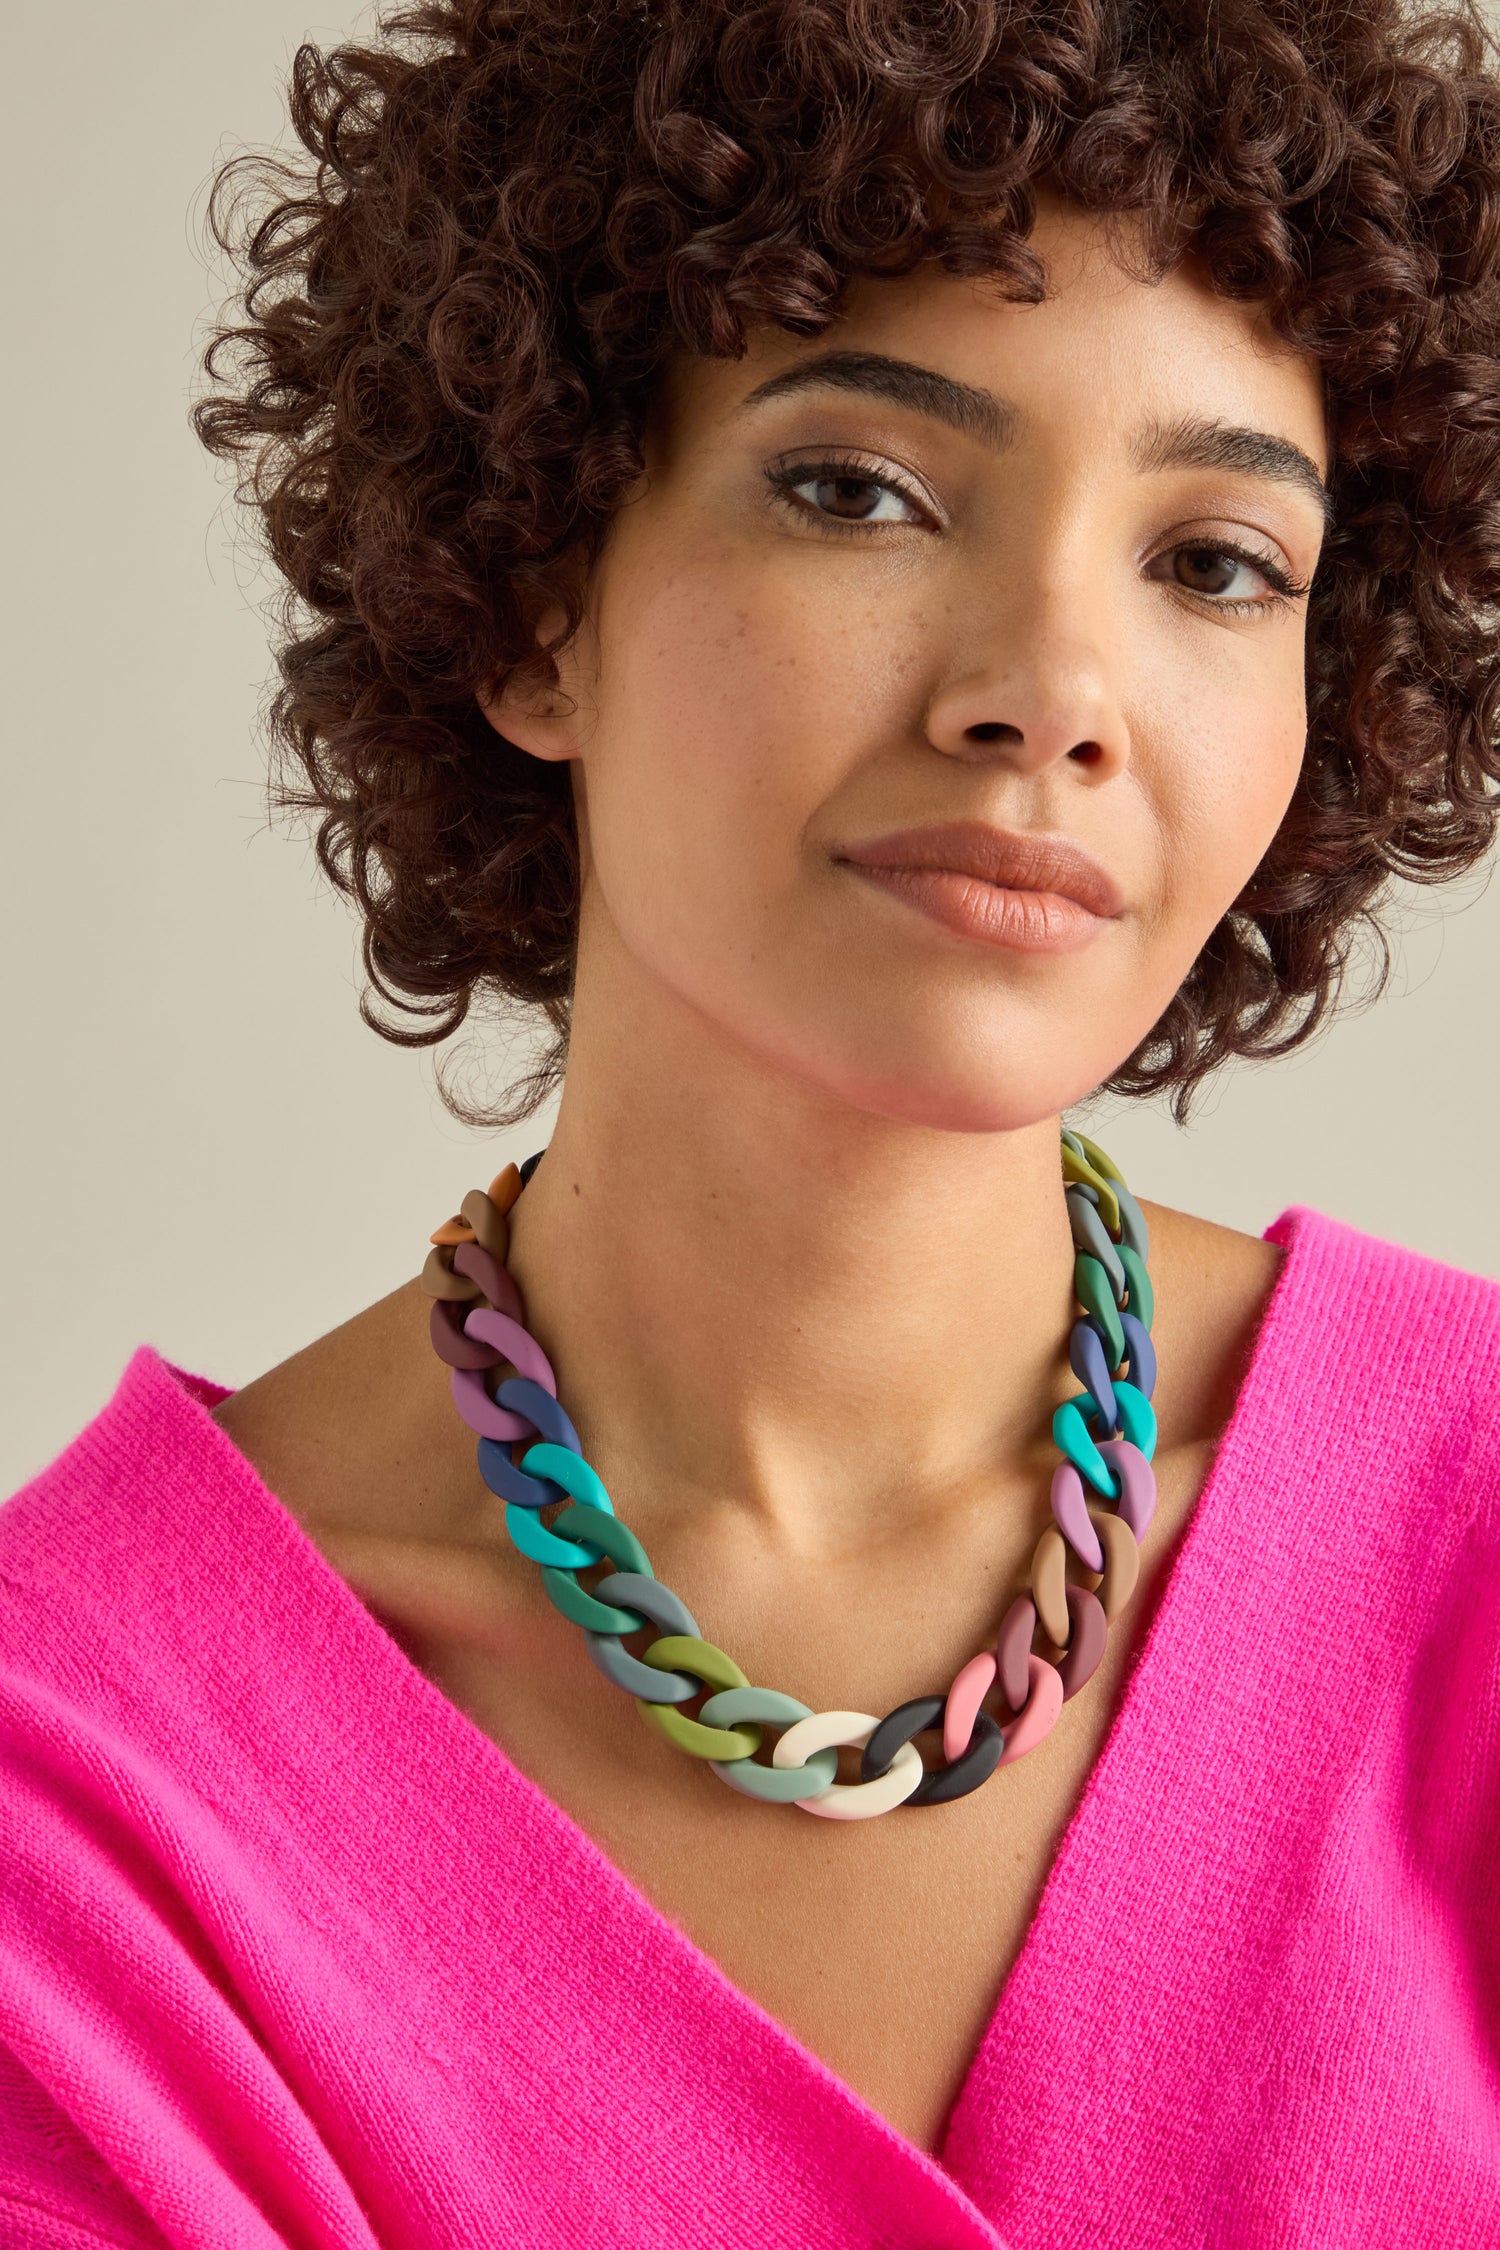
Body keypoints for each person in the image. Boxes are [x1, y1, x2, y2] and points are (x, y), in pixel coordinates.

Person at [4, 0, 1500, 2242]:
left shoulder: (1466, 1548)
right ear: (536, 602)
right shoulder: (85, 1824)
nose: (1051, 696)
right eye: (858, 491)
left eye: (1213, 564)